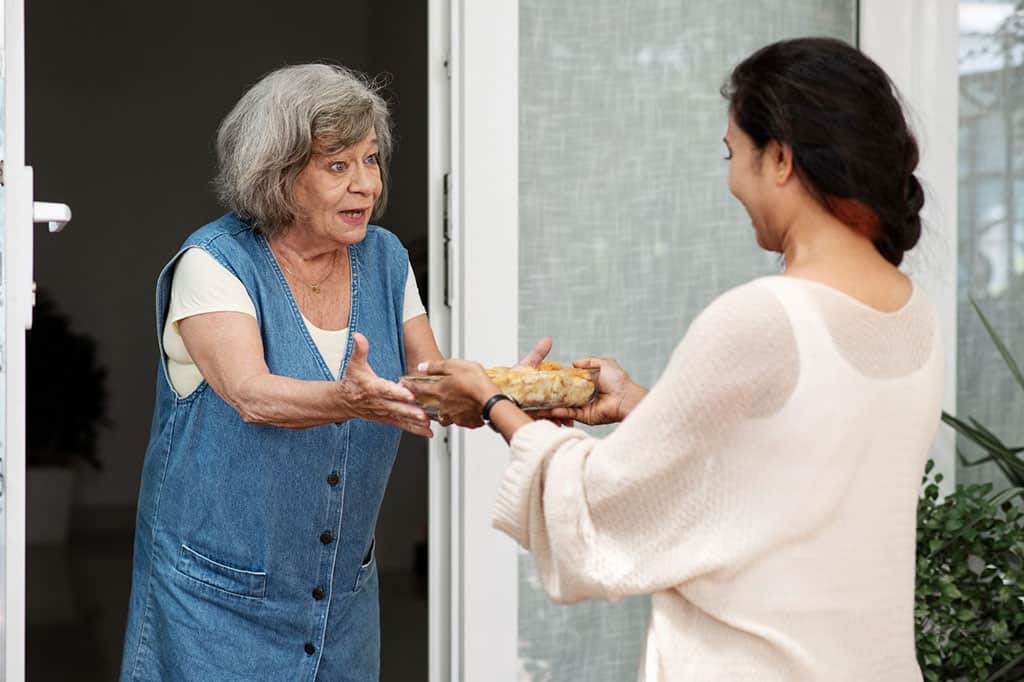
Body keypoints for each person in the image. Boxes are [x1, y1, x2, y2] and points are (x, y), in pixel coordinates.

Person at [412, 38, 944, 680]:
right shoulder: (916, 314)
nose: (731, 180)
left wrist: (493, 402)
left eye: (733, 154)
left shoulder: (765, 316)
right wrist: (641, 405)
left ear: (779, 158)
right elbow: (784, 465)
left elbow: (606, 502)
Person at [119, 63, 547, 681]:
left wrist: (507, 395)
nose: (365, 186)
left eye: (370, 161)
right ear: (279, 175)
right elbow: (252, 394)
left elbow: (426, 388)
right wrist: (352, 399)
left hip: (338, 602)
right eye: (338, 166)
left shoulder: (386, 257)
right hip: (214, 605)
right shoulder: (214, 264)